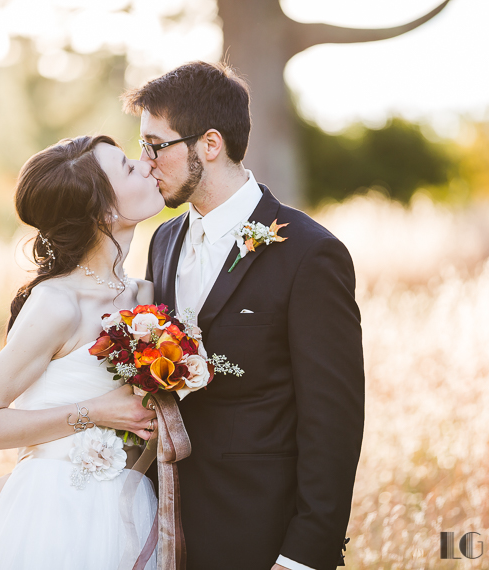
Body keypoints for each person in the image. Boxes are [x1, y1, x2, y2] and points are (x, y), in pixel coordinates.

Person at [124, 61, 365, 570]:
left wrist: (303, 555)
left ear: (209, 144)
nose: (144, 163)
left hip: (260, 537)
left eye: (155, 145)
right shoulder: (164, 240)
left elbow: (334, 424)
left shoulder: (309, 254)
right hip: (166, 528)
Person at [0, 134, 164, 569]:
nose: (145, 165)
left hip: (129, 504)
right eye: (126, 166)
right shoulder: (58, 303)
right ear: (104, 210)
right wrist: (98, 412)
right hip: (58, 511)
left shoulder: (145, 295)